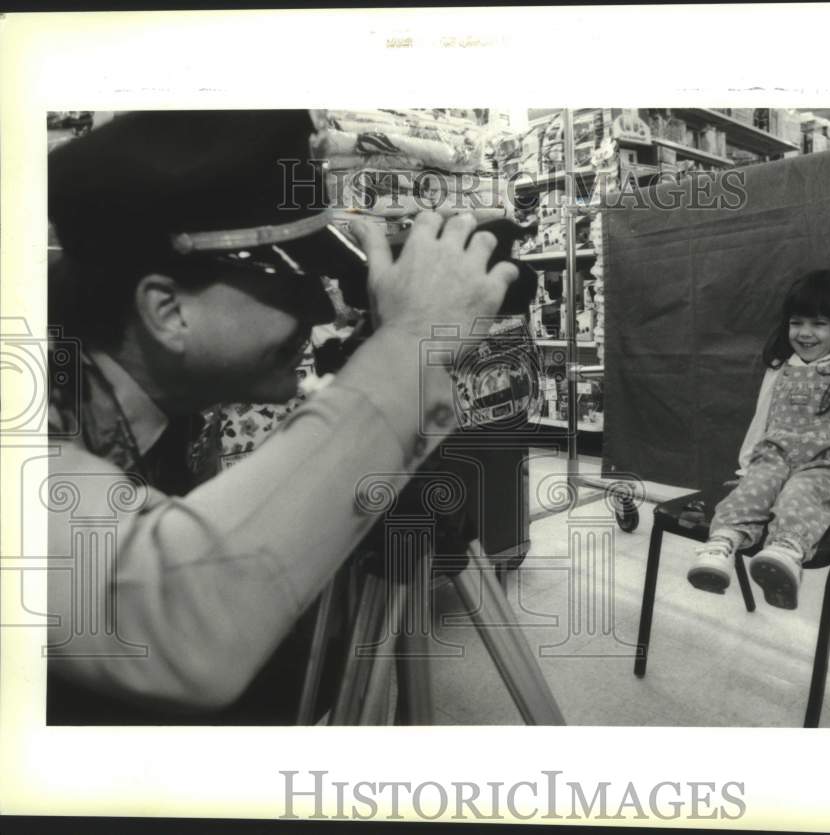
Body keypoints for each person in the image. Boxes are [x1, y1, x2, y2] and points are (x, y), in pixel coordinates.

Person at [44, 110, 519, 723]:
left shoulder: (144, 396)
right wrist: (410, 343)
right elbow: (173, 613)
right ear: (166, 310)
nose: (320, 314)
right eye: (292, 286)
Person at [686, 270, 830, 610]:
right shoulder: (780, 368)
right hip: (774, 456)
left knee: (801, 494)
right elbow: (761, 419)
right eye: (797, 323)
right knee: (753, 488)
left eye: (819, 324)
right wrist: (747, 464)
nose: (805, 333)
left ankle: (784, 553)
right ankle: (721, 544)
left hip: (824, 465)